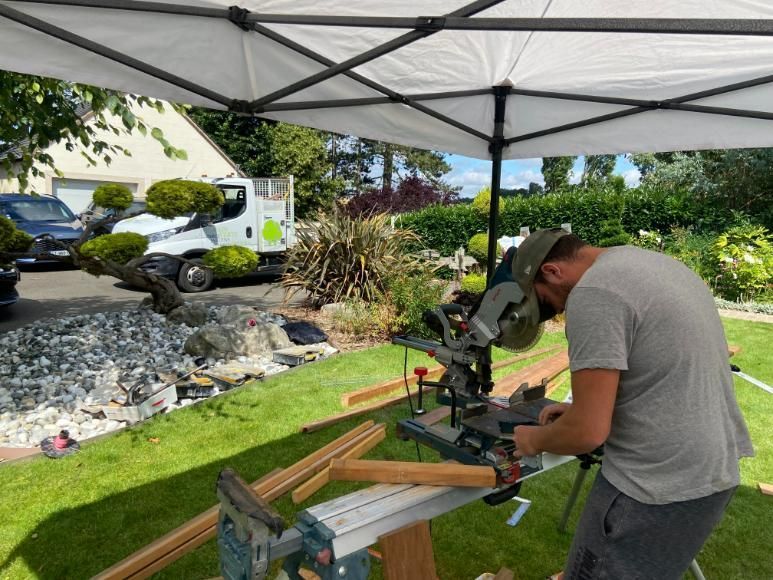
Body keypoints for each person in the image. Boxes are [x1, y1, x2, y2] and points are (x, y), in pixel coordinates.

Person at [510, 228, 753, 580]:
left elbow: (587, 433)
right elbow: (664, 370)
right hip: (712, 470)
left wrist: (533, 440)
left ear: (551, 271)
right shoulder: (657, 265)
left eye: (547, 301)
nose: (559, 310)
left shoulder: (593, 293)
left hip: (650, 487)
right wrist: (582, 409)